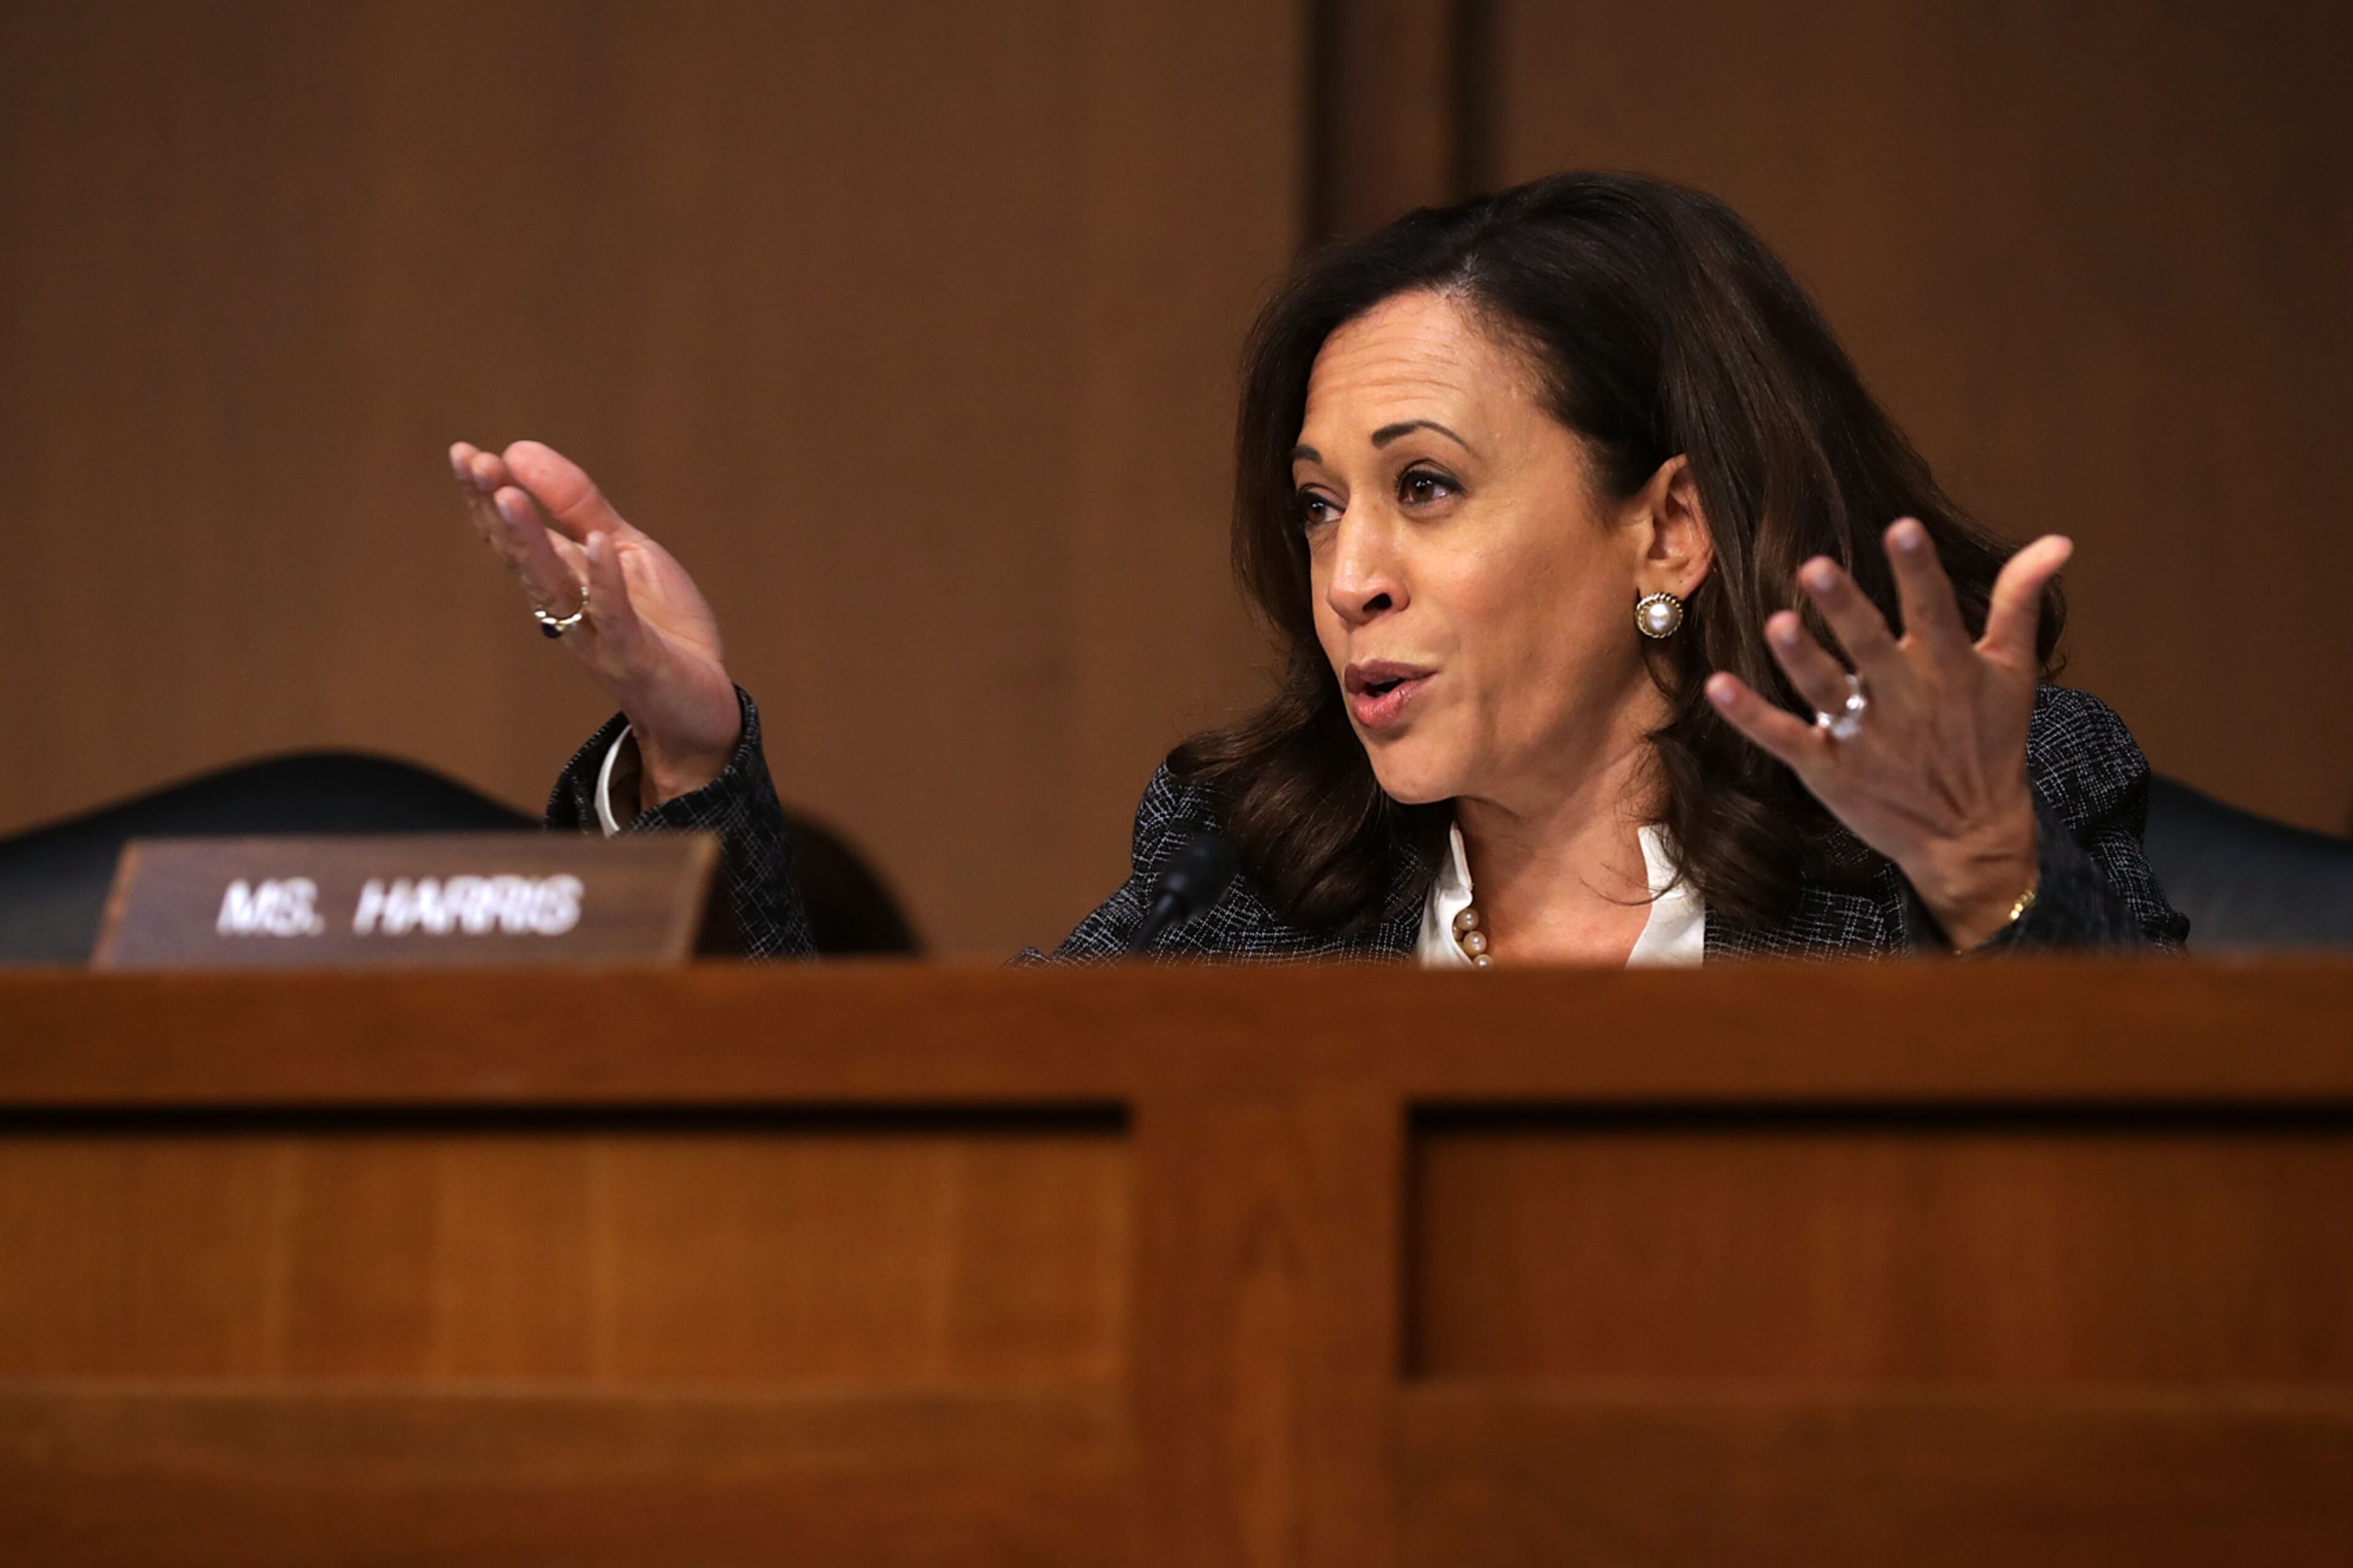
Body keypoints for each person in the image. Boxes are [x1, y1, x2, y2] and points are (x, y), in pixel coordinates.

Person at [450, 171, 2186, 963]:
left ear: (1666, 526)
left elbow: (2177, 1251)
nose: (1343, 575)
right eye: (1315, 506)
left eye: (1423, 490)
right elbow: (892, 1190)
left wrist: (1979, 875)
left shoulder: (1965, 834)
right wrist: (686, 746)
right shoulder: (1247, 876)